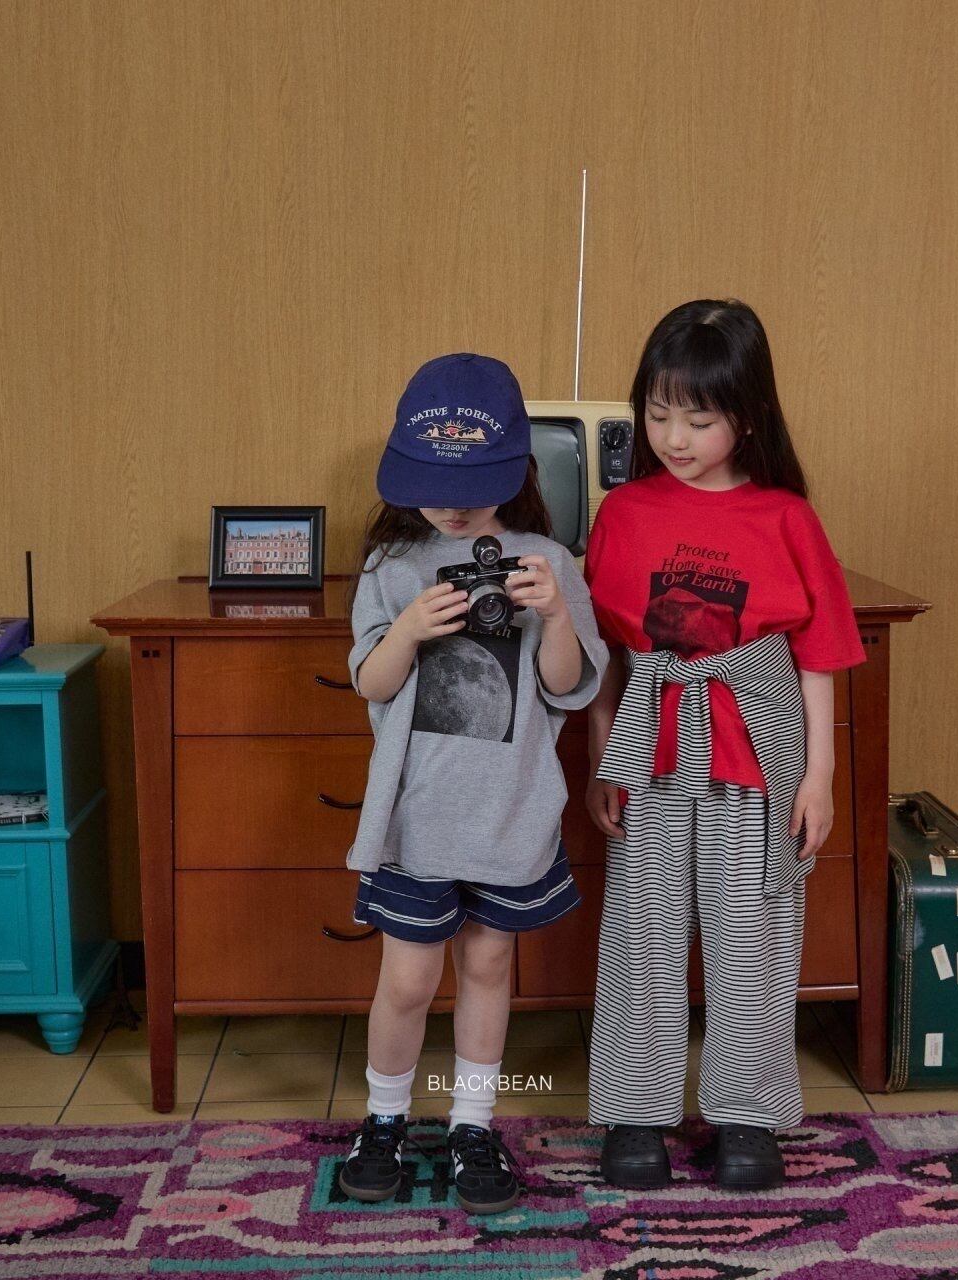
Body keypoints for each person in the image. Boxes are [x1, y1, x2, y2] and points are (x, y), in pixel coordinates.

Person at [582, 299, 866, 1191]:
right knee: (643, 930)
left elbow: (818, 657)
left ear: (749, 415)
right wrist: (601, 761)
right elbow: (608, 657)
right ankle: (635, 1112)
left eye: (698, 419)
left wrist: (819, 776)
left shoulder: (787, 517)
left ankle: (747, 1115)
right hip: (651, 746)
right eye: (658, 414)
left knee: (754, 935)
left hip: (759, 750)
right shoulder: (624, 511)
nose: (674, 437)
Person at [339, 351, 608, 1214]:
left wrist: (556, 612)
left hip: (509, 811)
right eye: (435, 486)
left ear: (514, 472)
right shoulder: (391, 565)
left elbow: (568, 687)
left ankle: (472, 1125)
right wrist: (409, 629)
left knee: (489, 967)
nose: (454, 507)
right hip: (416, 818)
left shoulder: (548, 561)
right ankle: (384, 1119)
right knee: (408, 981)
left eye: (474, 487)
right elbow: (372, 684)